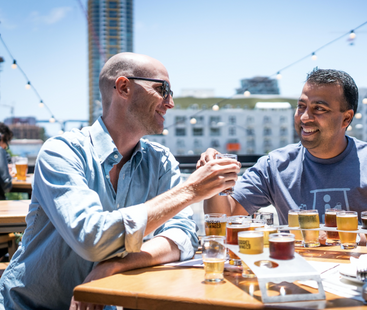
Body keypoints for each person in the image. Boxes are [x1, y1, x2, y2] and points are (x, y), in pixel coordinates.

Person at [0, 53, 240, 310]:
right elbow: (91, 238)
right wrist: (191, 190)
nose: (170, 103)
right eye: (163, 89)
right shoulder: (62, 151)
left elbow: (183, 236)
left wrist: (116, 265)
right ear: (124, 87)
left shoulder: (160, 161)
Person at [200, 68, 367, 237]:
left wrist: (349, 238)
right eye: (301, 106)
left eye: (319, 109)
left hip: (359, 281)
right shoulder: (275, 165)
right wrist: (214, 181)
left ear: (346, 119)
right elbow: (224, 216)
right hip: (298, 278)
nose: (304, 117)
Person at [0, 123, 13, 201]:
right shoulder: (0, 151)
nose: (5, 147)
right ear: (2, 137)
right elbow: (6, 183)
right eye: (7, 143)